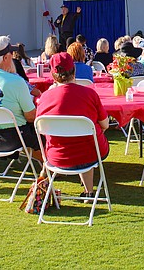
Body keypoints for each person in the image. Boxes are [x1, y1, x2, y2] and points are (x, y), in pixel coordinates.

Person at [35, 52, 109, 198]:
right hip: (89, 153)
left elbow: (40, 128)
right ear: (74, 70)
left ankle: (88, 192)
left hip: (56, 156)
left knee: (85, 139)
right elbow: (105, 124)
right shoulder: (89, 94)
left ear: (53, 74)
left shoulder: (45, 97)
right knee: (88, 140)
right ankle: (89, 192)